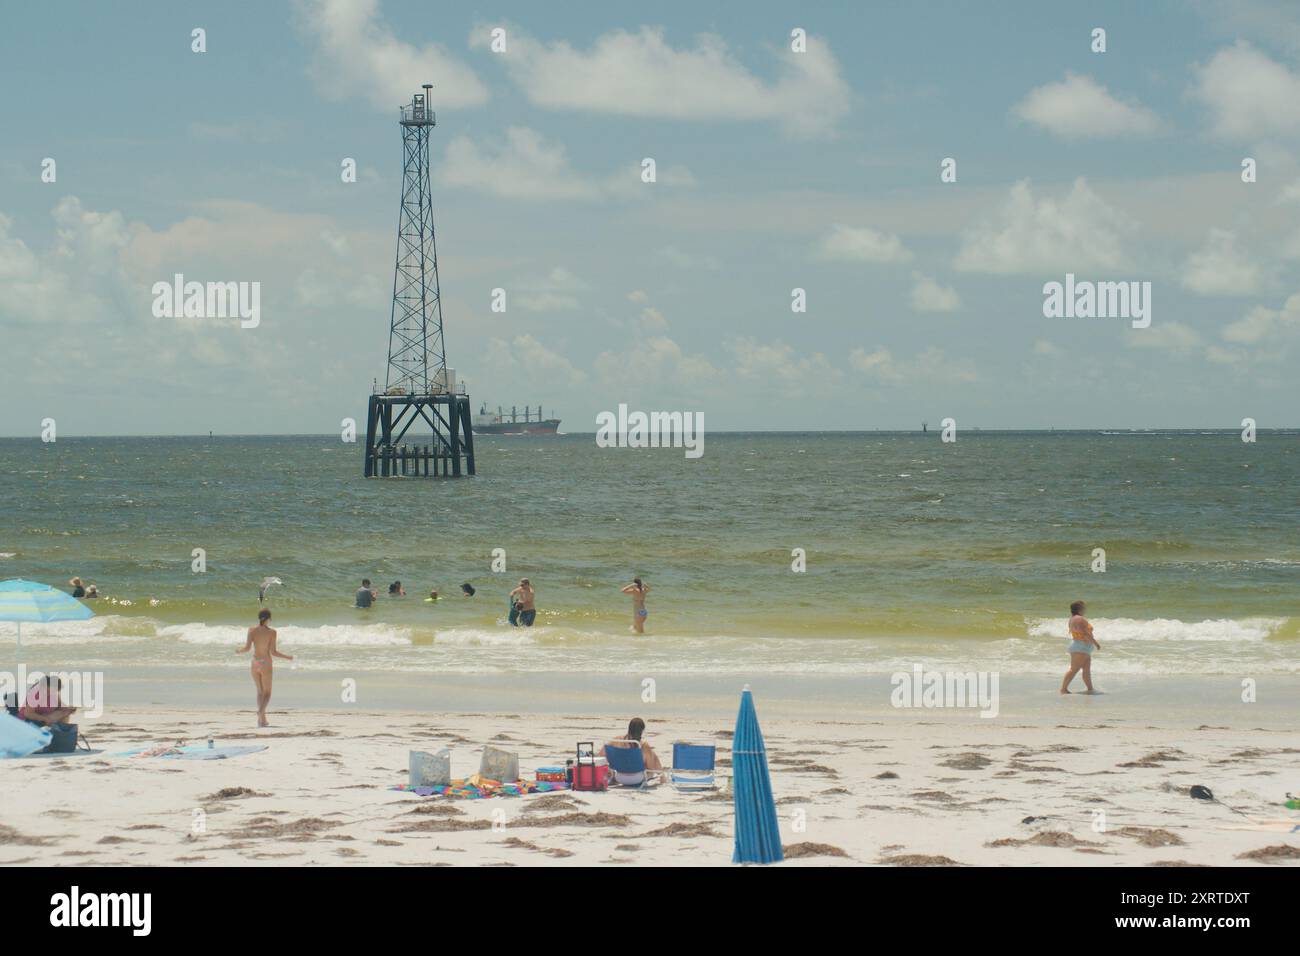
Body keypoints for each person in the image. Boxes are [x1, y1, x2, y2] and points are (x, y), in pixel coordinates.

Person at [237, 608, 292, 728]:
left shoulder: (251, 630)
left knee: (260, 692)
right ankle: (260, 712)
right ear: (268, 619)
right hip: (265, 663)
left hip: (255, 662)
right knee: (267, 693)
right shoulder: (272, 632)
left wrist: (239, 651)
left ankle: (262, 720)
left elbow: (247, 648)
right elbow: (274, 652)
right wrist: (288, 657)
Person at [606, 717, 664, 785]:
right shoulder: (643, 745)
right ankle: (662, 777)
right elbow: (650, 768)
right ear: (642, 731)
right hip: (637, 779)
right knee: (653, 755)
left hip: (619, 777)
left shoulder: (617, 740)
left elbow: (601, 755)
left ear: (629, 729)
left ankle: (662, 776)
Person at [1060, 600, 1100, 695]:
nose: (1085, 609)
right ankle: (1063, 689)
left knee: (1086, 670)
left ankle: (1090, 689)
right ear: (1079, 609)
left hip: (1081, 646)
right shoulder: (1080, 619)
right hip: (1081, 647)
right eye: (1084, 607)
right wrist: (1096, 643)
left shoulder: (1073, 618)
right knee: (1074, 669)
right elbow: (1085, 633)